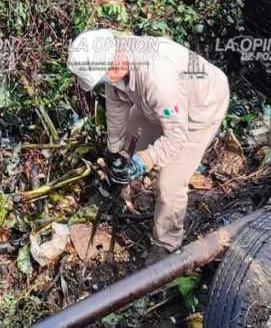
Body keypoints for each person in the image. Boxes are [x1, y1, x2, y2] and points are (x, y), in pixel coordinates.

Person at [67, 29, 229, 255]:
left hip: (198, 111)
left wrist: (142, 161)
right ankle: (115, 187)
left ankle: (166, 246)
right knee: (128, 132)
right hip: (159, 106)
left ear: (115, 64)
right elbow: (116, 111)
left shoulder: (158, 79)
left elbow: (176, 136)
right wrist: (114, 152)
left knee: (169, 184)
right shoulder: (115, 66)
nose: (104, 81)